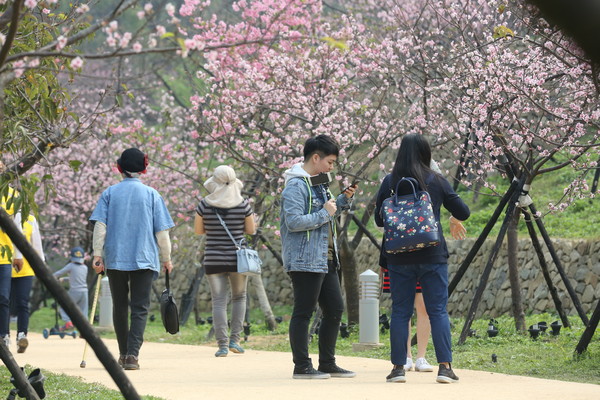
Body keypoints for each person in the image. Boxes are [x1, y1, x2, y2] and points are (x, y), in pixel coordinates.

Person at [375, 133, 470, 384]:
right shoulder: (435, 180)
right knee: (437, 310)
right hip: (432, 254)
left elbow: (378, 220)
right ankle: (445, 368)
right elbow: (463, 211)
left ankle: (397, 368)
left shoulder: (389, 182)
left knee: (401, 312)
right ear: (426, 153)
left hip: (398, 257)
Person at [280, 135, 358, 379]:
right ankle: (301, 366)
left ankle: (327, 363)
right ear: (316, 157)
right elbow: (293, 222)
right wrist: (326, 213)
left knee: (335, 309)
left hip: (325, 258)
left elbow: (328, 211)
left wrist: (343, 201)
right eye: (330, 162)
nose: (332, 167)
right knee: (303, 312)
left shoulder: (318, 183)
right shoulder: (296, 185)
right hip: (305, 259)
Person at [90, 148, 174, 370]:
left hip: (116, 258)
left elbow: (100, 226)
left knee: (120, 305)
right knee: (140, 307)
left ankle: (122, 352)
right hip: (144, 258)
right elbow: (162, 233)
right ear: (143, 169)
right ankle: (132, 356)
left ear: (120, 168)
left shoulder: (109, 193)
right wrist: (166, 258)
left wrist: (98, 255)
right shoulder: (152, 194)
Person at [194, 165, 256, 357]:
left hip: (213, 258)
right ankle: (234, 341)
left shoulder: (204, 204)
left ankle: (221, 345)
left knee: (219, 301)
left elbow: (198, 231)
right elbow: (251, 230)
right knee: (239, 297)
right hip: (238, 259)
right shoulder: (243, 204)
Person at [10, 213, 45, 353]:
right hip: (5, 266)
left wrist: (42, 266)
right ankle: (4, 336)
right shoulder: (4, 216)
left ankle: (21, 336)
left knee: (23, 303)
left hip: (25, 269)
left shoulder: (30, 219)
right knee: (4, 302)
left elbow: (37, 245)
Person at [0, 163, 24, 348]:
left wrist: (18, 255)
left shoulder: (14, 196)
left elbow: (18, 228)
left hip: (4, 256)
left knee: (3, 297)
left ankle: (4, 335)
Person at [53, 246, 89, 331]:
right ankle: (85, 331)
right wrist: (65, 279)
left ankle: (68, 322)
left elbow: (59, 273)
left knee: (64, 306)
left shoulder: (71, 265)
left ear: (72, 258)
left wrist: (50, 276)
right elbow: (76, 278)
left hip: (75, 291)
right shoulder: (85, 267)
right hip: (84, 292)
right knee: (83, 312)